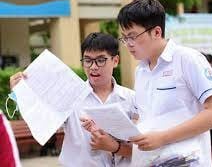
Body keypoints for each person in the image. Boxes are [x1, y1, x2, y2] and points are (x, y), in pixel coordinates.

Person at [117, 0, 212, 166]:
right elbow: (144, 118)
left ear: (156, 32)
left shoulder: (187, 59)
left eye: (133, 36)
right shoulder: (141, 70)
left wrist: (163, 138)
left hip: (187, 161)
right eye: (125, 38)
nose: (128, 44)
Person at [9, 32, 137, 167]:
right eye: (87, 60)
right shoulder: (70, 95)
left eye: (100, 60)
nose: (93, 67)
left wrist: (114, 146)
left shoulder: (131, 99)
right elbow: (40, 121)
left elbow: (144, 150)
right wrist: (20, 93)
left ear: (115, 60)